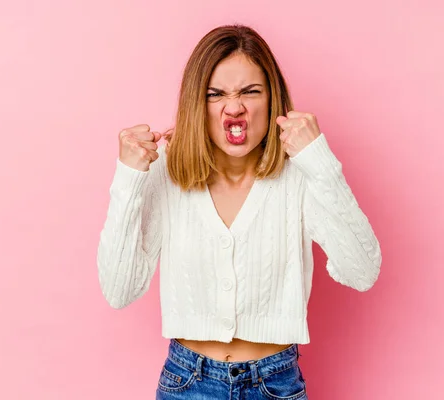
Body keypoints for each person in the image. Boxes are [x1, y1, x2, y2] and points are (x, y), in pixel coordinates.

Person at [96, 24, 382, 399]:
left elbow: (362, 271)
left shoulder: (300, 171)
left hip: (276, 383)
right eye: (216, 94)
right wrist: (129, 177)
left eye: (250, 91)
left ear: (272, 99)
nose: (235, 107)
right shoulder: (165, 168)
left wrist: (320, 161)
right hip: (187, 383)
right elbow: (119, 291)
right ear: (197, 103)